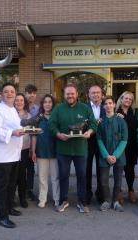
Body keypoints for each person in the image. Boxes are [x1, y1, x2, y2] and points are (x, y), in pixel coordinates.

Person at [48, 83, 97, 213]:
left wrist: (89, 132)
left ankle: (82, 202)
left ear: (76, 94)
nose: (70, 96)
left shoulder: (85, 108)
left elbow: (93, 124)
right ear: (64, 95)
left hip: (81, 149)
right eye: (67, 94)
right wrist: (58, 135)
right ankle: (64, 200)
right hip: (63, 149)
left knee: (82, 176)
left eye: (72, 93)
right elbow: (51, 125)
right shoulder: (58, 109)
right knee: (64, 175)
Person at [0, 83, 25, 229]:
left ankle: (9, 208)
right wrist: (13, 133)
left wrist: (23, 130)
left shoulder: (13, 110)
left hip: (14, 156)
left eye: (12, 92)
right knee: (2, 188)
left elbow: (16, 128)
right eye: (6, 92)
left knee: (11, 186)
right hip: (1, 158)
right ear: (1, 95)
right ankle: (1, 217)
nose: (10, 94)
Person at [97, 96, 128, 212]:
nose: (108, 105)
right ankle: (106, 200)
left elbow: (124, 139)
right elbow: (99, 140)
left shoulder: (121, 121)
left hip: (118, 155)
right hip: (104, 155)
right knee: (103, 180)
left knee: (118, 180)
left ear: (114, 105)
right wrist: (106, 155)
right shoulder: (101, 122)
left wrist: (115, 155)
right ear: (103, 106)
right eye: (106, 104)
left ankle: (115, 201)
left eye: (110, 103)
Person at [32, 94, 60, 208]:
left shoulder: (57, 117)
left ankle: (57, 199)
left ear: (53, 104)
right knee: (42, 177)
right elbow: (33, 135)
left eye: (49, 102)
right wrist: (33, 151)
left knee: (55, 177)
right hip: (41, 151)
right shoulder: (38, 118)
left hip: (55, 151)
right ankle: (42, 198)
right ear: (42, 104)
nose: (47, 104)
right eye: (45, 102)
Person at [116, 91, 138, 203]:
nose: (128, 100)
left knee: (130, 170)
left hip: (131, 146)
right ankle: (118, 191)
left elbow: (135, 127)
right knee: (119, 169)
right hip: (119, 145)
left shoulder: (134, 112)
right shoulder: (116, 112)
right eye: (126, 98)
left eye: (130, 99)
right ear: (121, 98)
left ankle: (131, 190)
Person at [86, 85, 104, 205]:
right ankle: (87, 194)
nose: (95, 95)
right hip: (88, 141)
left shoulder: (107, 106)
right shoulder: (84, 107)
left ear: (101, 94)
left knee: (101, 169)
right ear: (89, 95)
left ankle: (100, 194)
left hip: (102, 142)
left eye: (98, 92)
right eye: (93, 93)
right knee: (86, 169)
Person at [13, 93, 31, 208]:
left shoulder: (29, 116)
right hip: (12, 149)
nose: (19, 102)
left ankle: (22, 198)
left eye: (21, 100)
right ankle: (12, 197)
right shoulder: (10, 114)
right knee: (12, 174)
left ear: (24, 102)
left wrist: (32, 150)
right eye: (17, 100)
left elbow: (32, 134)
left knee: (22, 174)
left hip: (24, 149)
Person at [24, 84, 39, 201]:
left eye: (34, 93)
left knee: (31, 167)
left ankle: (29, 190)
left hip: (33, 141)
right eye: (29, 93)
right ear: (25, 93)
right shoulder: (19, 107)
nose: (31, 95)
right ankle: (19, 189)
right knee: (19, 168)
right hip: (20, 141)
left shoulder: (38, 109)